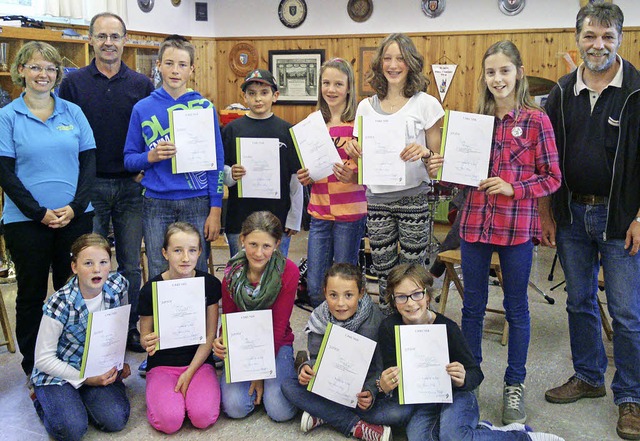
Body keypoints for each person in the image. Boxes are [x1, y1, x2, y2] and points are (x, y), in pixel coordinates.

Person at [428, 40, 561, 425]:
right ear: (484, 78)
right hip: (473, 227)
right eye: (490, 72)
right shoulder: (473, 122)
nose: (497, 78)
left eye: (504, 70)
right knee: (470, 307)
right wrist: (442, 166)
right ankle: (470, 378)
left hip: (517, 228)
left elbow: (552, 178)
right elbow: (457, 183)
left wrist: (512, 188)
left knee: (517, 308)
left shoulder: (537, 121)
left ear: (518, 72)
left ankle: (514, 384)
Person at [539, 4, 640, 439]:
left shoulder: (637, 90)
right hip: (572, 216)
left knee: (627, 312)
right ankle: (588, 377)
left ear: (620, 37)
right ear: (577, 38)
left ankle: (631, 396)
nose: (598, 45)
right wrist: (546, 212)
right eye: (590, 36)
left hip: (622, 220)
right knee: (579, 301)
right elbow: (547, 159)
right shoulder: (561, 92)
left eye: (607, 36)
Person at [377, 264, 564, 441]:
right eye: (401, 297)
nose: (410, 303)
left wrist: (463, 378)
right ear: (393, 301)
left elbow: (476, 373)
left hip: (458, 395)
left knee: (454, 436)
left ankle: (523, 437)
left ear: (427, 296)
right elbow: (390, 375)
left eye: (417, 294)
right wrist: (384, 385)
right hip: (422, 402)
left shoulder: (448, 328)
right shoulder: (388, 328)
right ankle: (482, 431)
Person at [58, 12, 154, 354]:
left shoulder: (141, 84)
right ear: (91, 40)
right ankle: (91, 328)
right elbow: (64, 132)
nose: (108, 43)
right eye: (102, 36)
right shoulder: (72, 84)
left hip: (131, 186)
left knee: (129, 263)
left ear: (124, 41)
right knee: (91, 262)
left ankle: (126, 328)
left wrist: (145, 169)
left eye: (115, 36)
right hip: (91, 187)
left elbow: (151, 132)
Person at [0, 41, 96, 376]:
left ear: (57, 75)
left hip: (75, 218)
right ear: (21, 70)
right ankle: (35, 366)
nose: (44, 74)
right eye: (36, 67)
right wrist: (38, 212)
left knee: (76, 291)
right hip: (25, 222)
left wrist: (75, 206)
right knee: (31, 294)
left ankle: (75, 358)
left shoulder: (73, 112)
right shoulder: (7, 117)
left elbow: (89, 164)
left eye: (50, 68)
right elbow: (5, 173)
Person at [345, 33, 444, 304]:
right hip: (377, 200)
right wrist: (354, 151)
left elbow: (437, 169)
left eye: (400, 58)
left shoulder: (427, 104)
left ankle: (412, 333)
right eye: (387, 58)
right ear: (379, 63)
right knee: (384, 272)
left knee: (413, 274)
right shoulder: (365, 107)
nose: (393, 64)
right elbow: (361, 158)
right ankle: (390, 334)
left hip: (413, 198)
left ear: (410, 62)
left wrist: (425, 153)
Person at [123, 36, 224, 279]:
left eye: (181, 64)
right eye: (169, 63)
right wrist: (151, 156)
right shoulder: (142, 108)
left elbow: (217, 162)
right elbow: (129, 160)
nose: (175, 71)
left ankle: (197, 317)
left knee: (196, 267)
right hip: (157, 202)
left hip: (197, 200)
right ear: (158, 65)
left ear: (191, 69)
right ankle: (162, 318)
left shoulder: (204, 107)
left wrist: (216, 209)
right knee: (159, 267)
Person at [31, 233, 130, 441]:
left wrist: (120, 363)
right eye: (88, 263)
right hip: (58, 372)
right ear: (75, 267)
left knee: (115, 420)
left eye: (103, 262)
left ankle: (80, 397)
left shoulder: (118, 285)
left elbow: (118, 328)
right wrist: (84, 379)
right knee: (71, 430)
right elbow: (43, 359)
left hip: (97, 366)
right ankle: (42, 398)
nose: (97, 269)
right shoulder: (59, 303)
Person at [282, 263, 392, 440]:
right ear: (325, 292)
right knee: (288, 386)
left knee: (396, 413)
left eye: (349, 295)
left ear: (361, 293)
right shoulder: (319, 318)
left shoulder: (375, 321)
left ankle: (322, 414)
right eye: (333, 295)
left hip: (361, 392)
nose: (341, 303)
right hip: (330, 387)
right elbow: (316, 359)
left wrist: (371, 391)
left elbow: (380, 367)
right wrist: (306, 369)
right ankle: (356, 426)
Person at [213, 211, 299, 422]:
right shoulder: (231, 273)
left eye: (266, 246)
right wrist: (222, 340)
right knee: (235, 407)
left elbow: (278, 328)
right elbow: (230, 317)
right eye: (252, 244)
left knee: (280, 411)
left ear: (277, 244)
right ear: (242, 240)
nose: (259, 253)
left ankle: (290, 367)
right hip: (242, 345)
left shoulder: (288, 272)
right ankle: (263, 389)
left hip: (275, 343)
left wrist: (259, 374)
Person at [296, 58, 368, 308]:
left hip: (350, 212)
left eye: (338, 84)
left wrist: (356, 175)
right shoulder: (313, 123)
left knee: (343, 280)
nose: (331, 89)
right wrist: (304, 176)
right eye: (326, 83)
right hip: (319, 211)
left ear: (349, 87)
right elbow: (309, 168)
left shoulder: (359, 123)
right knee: (315, 284)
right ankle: (322, 331)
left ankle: (344, 333)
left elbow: (372, 169)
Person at [138, 222, 221, 434]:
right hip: (163, 364)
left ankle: (190, 391)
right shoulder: (151, 289)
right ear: (165, 253)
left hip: (199, 361)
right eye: (177, 250)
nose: (185, 258)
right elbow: (144, 335)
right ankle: (163, 394)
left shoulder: (209, 284)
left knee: (204, 417)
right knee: (169, 422)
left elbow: (210, 335)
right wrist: (145, 340)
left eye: (192, 250)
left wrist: (190, 371)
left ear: (200, 252)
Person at [221, 69, 302, 258]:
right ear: (244, 97)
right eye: (252, 93)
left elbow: (295, 178)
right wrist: (230, 174)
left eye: (264, 93)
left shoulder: (287, 131)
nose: (258, 99)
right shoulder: (232, 130)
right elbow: (220, 171)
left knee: (274, 275)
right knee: (239, 274)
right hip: (239, 218)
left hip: (277, 219)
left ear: (275, 96)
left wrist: (294, 218)